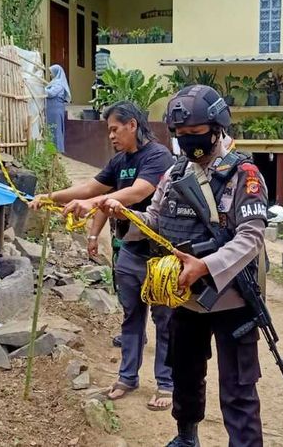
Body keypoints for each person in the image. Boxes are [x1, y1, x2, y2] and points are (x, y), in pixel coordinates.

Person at [104, 85, 268, 447]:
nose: (189, 143)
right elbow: (155, 220)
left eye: (196, 135)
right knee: (185, 374)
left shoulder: (245, 174)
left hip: (232, 301)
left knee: (238, 389)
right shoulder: (176, 174)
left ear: (217, 128)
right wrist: (122, 216)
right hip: (186, 296)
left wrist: (206, 266)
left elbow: (251, 237)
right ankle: (186, 437)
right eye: (180, 136)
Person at [29, 100, 175, 411]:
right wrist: (49, 198)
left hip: (160, 254)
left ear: (132, 125)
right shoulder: (120, 160)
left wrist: (94, 203)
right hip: (131, 251)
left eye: (114, 129)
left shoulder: (159, 157)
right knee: (131, 318)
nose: (110, 135)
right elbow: (91, 189)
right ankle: (127, 377)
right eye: (108, 130)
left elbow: (136, 192)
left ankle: (166, 383)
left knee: (165, 321)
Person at [45, 64, 71, 153]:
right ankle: (50, 149)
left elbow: (51, 93)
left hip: (55, 110)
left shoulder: (59, 84)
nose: (50, 75)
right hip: (51, 109)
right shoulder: (54, 82)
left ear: (56, 73)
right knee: (50, 128)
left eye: (51, 73)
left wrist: (41, 89)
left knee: (55, 129)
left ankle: (57, 150)